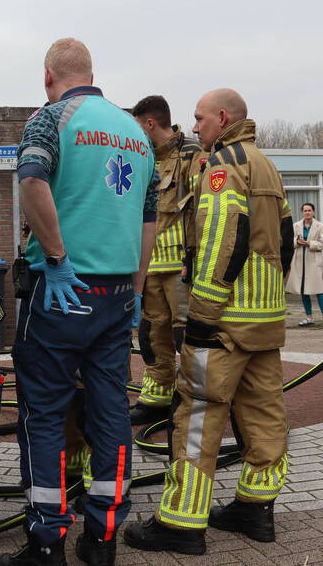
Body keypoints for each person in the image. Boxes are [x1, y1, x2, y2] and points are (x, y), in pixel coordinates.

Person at [0, 38, 157, 566]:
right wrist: (135, 290)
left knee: (43, 414)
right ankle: (103, 537)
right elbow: (148, 220)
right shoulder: (136, 131)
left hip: (61, 291)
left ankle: (46, 544)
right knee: (111, 412)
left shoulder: (50, 119)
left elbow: (32, 180)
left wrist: (58, 257)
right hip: (115, 294)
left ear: (49, 76)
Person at [123, 88, 294, 556]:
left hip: (224, 322)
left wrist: (201, 316)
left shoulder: (223, 166)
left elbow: (223, 239)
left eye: (199, 118)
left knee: (198, 413)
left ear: (222, 118)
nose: (194, 127)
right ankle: (255, 509)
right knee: (263, 413)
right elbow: (285, 238)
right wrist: (271, 293)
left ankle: (181, 522)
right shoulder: (266, 164)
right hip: (264, 317)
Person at [130, 95, 201, 424]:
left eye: (137, 126)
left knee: (184, 336)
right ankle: (157, 397)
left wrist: (195, 258)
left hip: (180, 269)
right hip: (151, 267)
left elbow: (202, 212)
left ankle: (193, 400)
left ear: (149, 123)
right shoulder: (143, 158)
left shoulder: (191, 155)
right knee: (151, 335)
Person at [284, 203, 323, 327]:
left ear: (313, 212)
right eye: (305, 210)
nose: (307, 212)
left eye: (309, 210)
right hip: (300, 262)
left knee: (319, 290)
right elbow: (289, 242)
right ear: (302, 212)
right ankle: (309, 317)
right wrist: (297, 242)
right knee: (304, 291)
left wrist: (309, 243)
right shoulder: (296, 226)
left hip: (314, 262)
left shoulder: (320, 226)